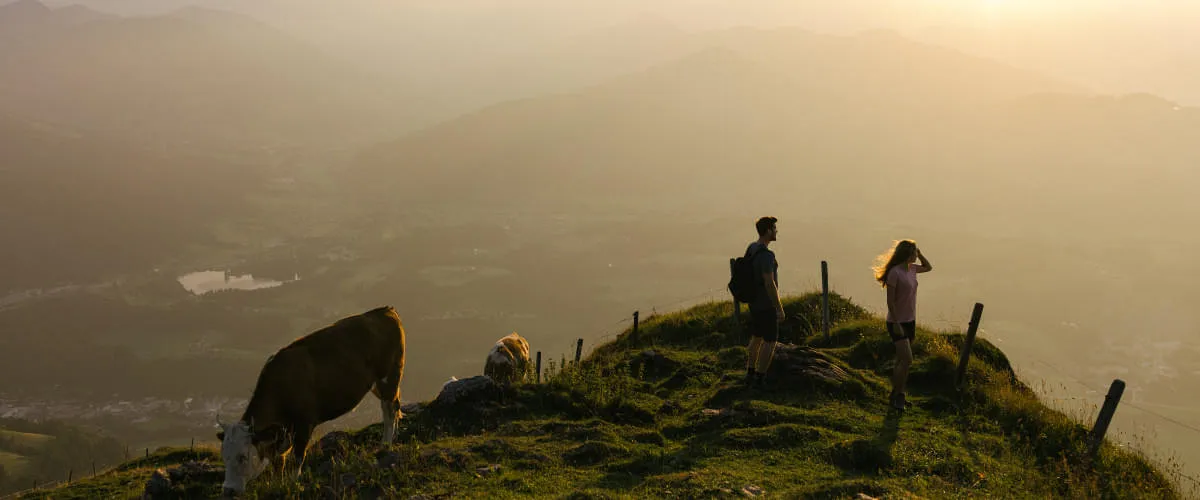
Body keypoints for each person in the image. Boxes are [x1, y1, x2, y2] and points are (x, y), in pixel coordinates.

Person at [873, 239, 933, 410]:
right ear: (906, 254)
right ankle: (899, 395)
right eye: (914, 252)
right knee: (907, 359)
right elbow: (890, 302)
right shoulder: (895, 273)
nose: (916, 255)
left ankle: (896, 394)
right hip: (896, 322)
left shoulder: (912, 269)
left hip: (910, 320)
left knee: (901, 360)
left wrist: (920, 254)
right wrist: (896, 322)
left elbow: (928, 267)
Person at [743, 216, 784, 387]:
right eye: (774, 228)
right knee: (770, 341)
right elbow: (769, 283)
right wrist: (779, 308)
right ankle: (760, 378)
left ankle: (750, 372)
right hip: (766, 303)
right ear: (768, 231)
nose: (776, 231)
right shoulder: (767, 256)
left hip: (753, 301)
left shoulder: (752, 248)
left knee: (756, 337)